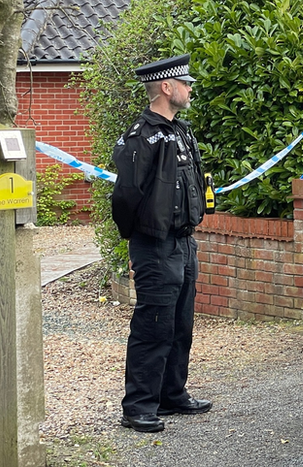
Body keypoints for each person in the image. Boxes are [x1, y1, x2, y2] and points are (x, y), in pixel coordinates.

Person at [111, 54, 211, 433]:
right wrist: (138, 242)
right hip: (155, 246)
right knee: (153, 327)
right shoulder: (143, 136)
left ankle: (172, 394)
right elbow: (125, 196)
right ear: (167, 88)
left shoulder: (180, 131)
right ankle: (137, 406)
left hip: (184, 244)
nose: (190, 90)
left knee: (180, 323)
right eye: (185, 84)